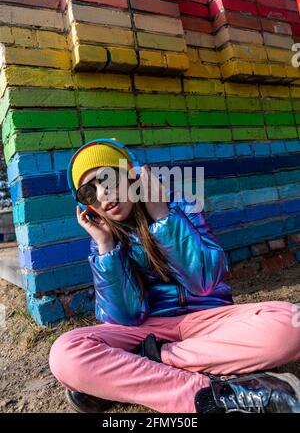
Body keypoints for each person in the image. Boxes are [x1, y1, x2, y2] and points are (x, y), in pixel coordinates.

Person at [49, 139, 300, 413]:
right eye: (89, 192)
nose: (103, 194)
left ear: (132, 175)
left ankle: (139, 364)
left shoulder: (180, 204)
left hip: (209, 321)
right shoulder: (105, 240)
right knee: (66, 354)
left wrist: (162, 216)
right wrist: (106, 246)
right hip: (146, 328)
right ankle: (210, 395)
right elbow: (125, 317)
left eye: (107, 178)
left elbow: (204, 281)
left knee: (293, 326)